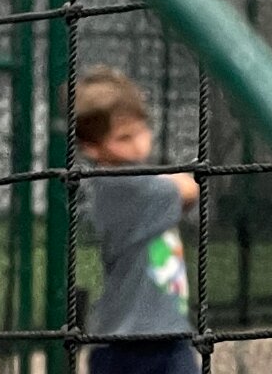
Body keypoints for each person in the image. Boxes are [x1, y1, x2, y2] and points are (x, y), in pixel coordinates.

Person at [75, 66, 200, 374]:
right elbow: (189, 189)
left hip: (166, 333)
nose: (139, 144)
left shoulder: (135, 180)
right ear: (91, 147)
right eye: (124, 137)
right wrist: (176, 177)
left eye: (142, 130)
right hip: (128, 346)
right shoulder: (121, 186)